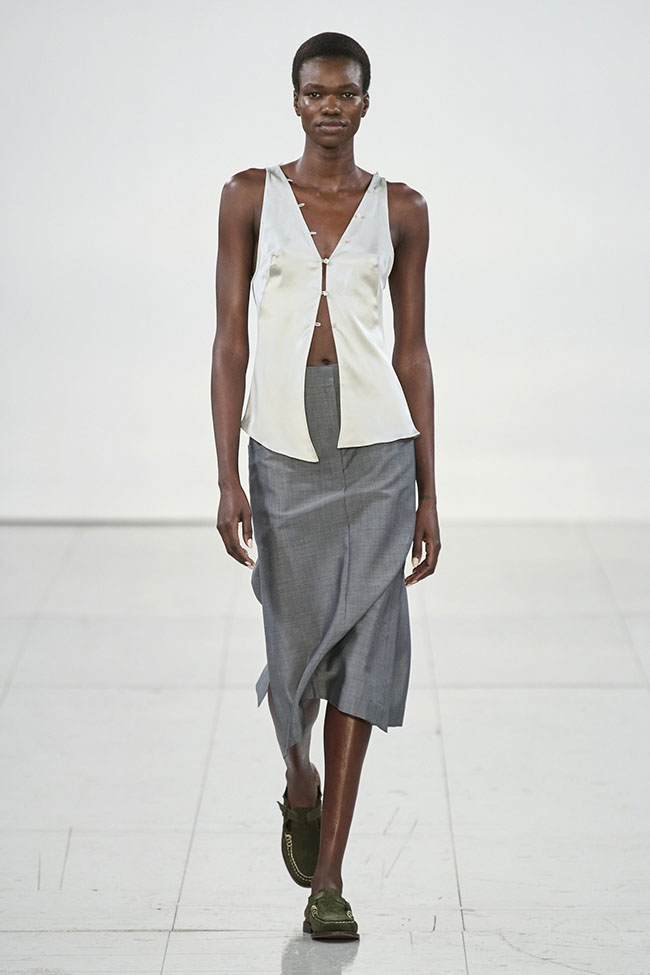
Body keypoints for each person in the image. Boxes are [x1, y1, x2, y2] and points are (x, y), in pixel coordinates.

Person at [211, 31, 441, 940]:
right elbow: (230, 339)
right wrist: (225, 474)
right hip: (282, 445)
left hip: (379, 449)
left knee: (367, 644)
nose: (331, 107)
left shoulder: (403, 208)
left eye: (346, 93)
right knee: (295, 643)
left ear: (366, 102)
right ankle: (298, 776)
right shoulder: (249, 196)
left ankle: (331, 879)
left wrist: (429, 489)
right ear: (296, 100)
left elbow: (413, 351)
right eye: (316, 93)